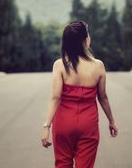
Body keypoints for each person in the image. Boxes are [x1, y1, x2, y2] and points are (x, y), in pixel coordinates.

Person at [41, 20, 118, 168]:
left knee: (63, 164)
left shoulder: (60, 65)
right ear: (85, 40)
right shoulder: (98, 66)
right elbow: (103, 97)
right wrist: (111, 121)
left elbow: (55, 98)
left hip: (63, 123)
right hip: (88, 124)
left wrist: (46, 127)